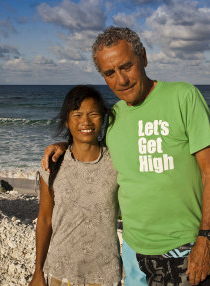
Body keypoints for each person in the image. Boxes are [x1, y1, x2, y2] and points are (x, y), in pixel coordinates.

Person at [42, 27, 210, 286]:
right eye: (110, 73)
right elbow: (96, 146)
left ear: (144, 58)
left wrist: (207, 239)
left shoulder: (184, 96)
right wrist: (64, 145)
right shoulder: (114, 117)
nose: (121, 80)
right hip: (133, 251)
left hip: (183, 247)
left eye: (126, 66)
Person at [29, 85, 122, 286]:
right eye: (77, 115)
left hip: (104, 273)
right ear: (67, 121)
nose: (86, 122)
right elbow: (45, 219)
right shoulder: (54, 164)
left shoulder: (117, 162)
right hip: (61, 272)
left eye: (93, 114)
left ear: (103, 118)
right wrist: (38, 272)